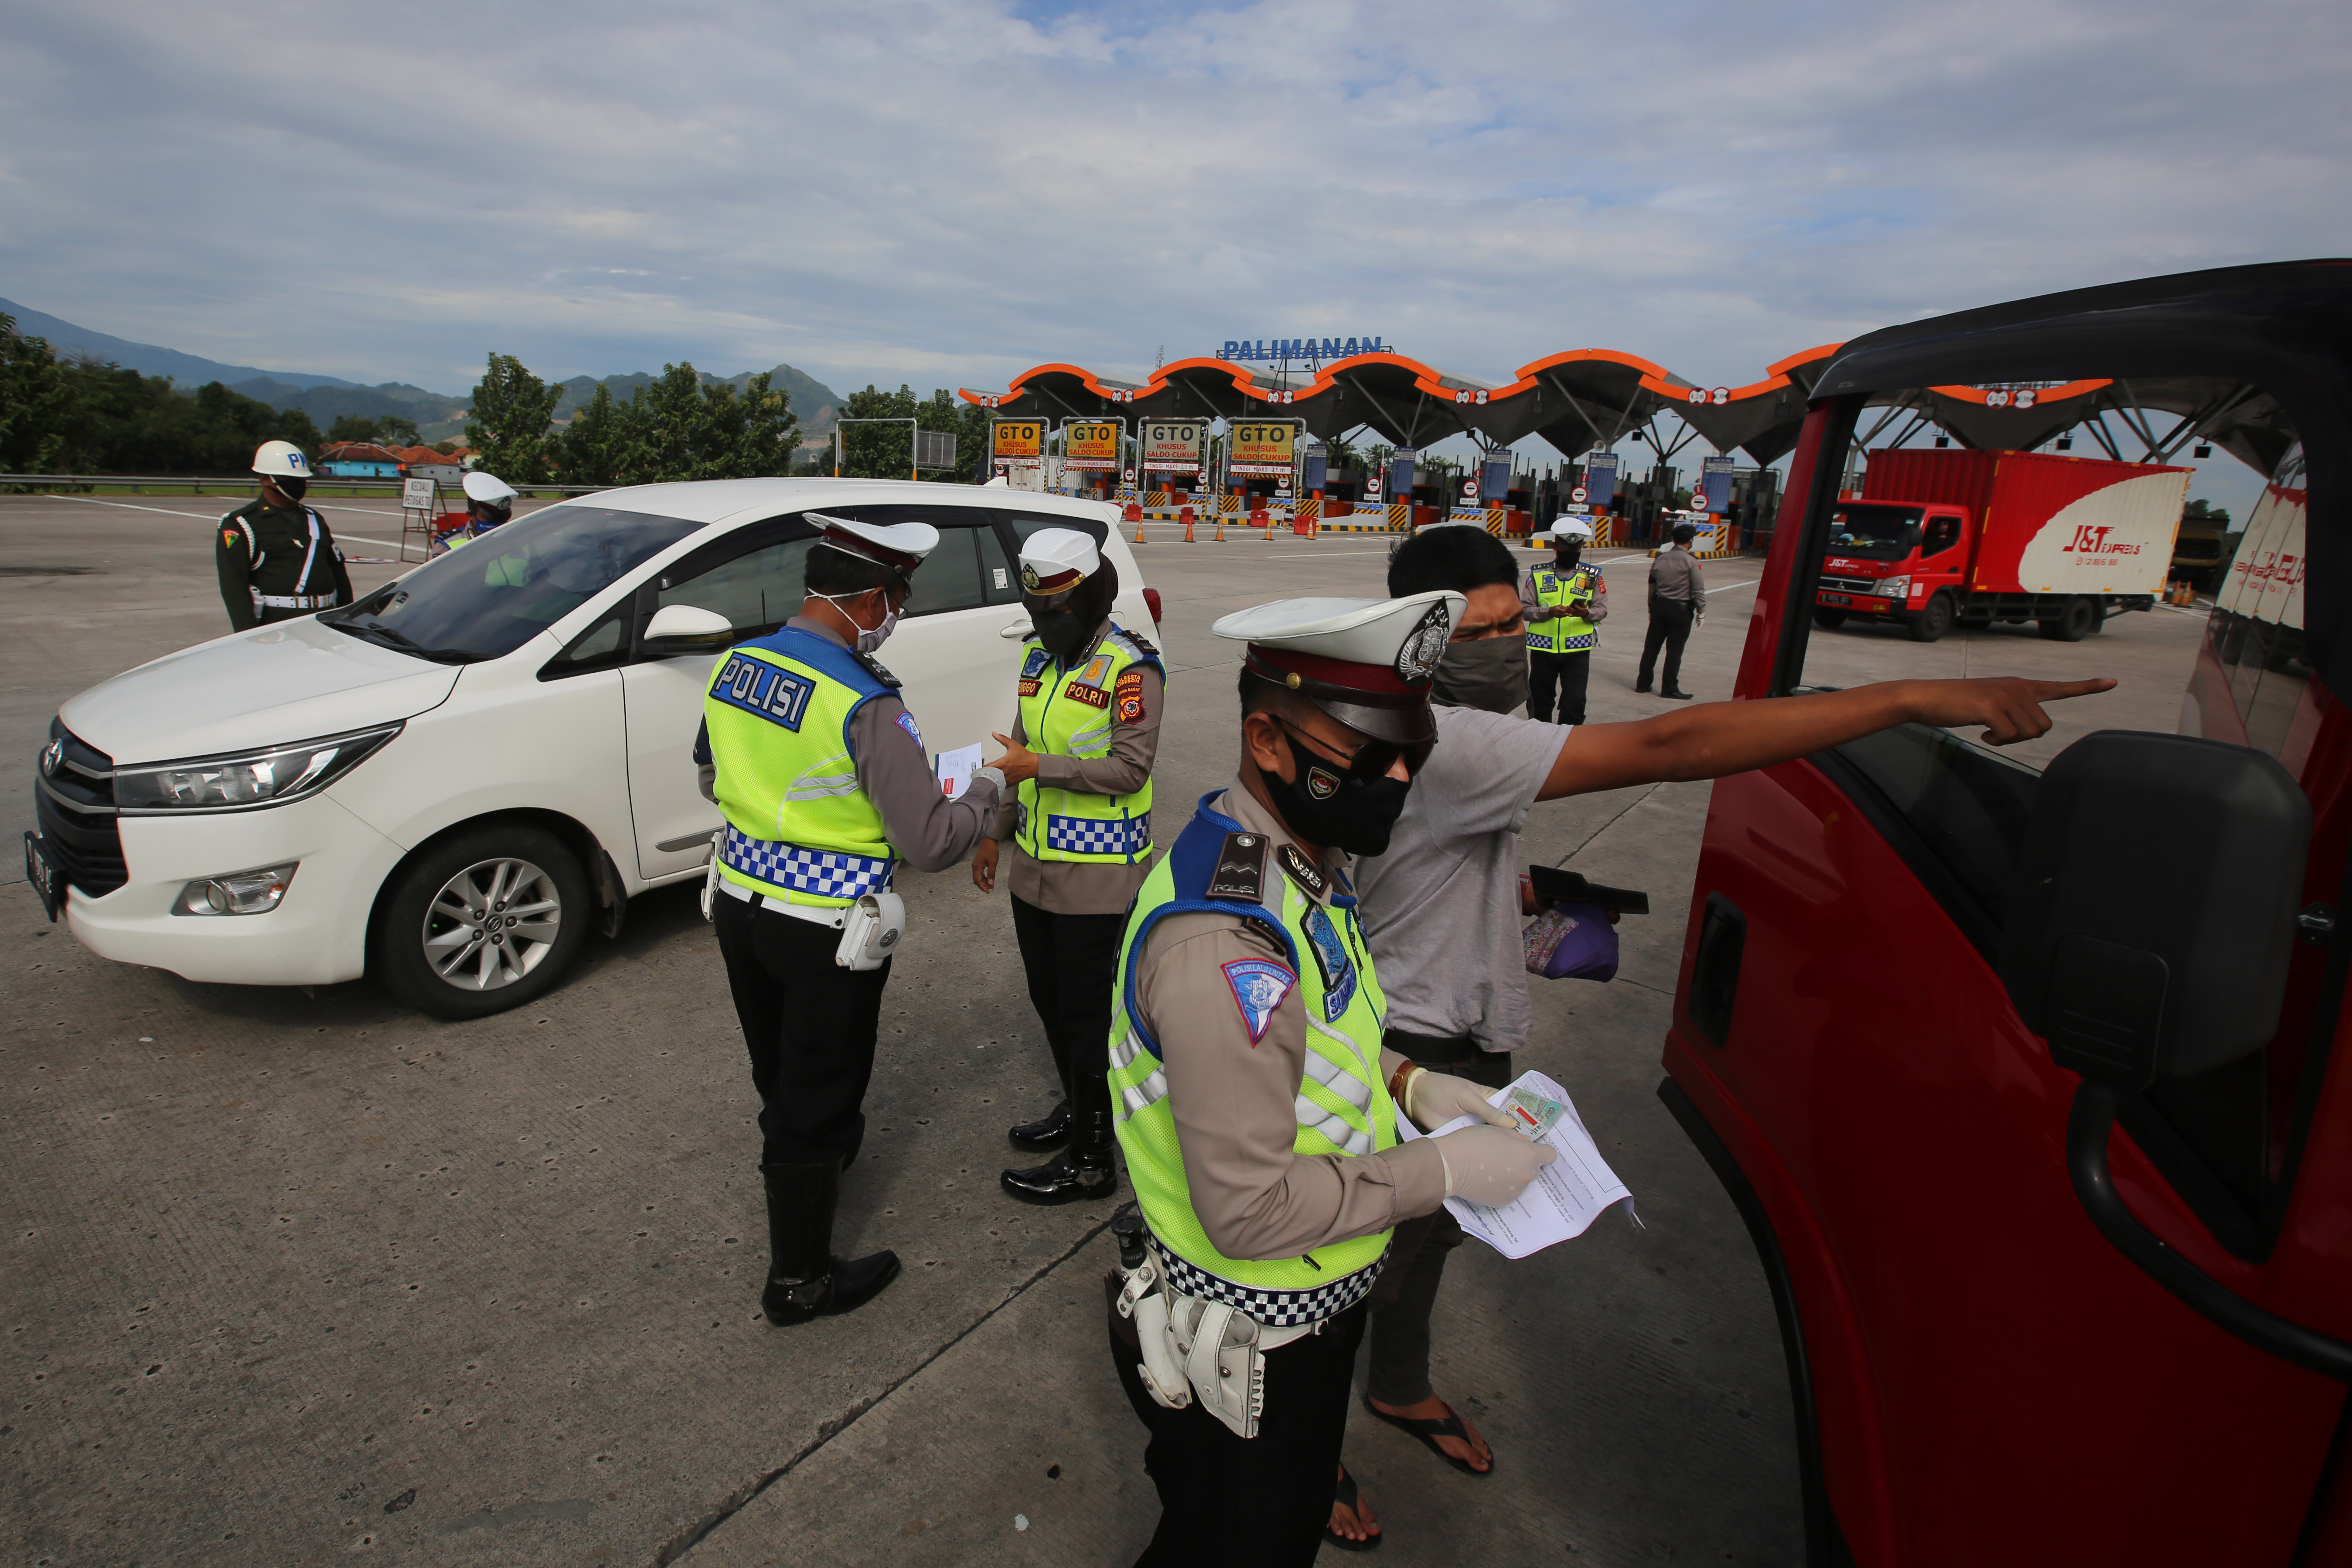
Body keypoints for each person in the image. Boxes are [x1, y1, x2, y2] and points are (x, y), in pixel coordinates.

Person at [1335, 522, 2114, 1546]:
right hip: (1410, 1050)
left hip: (1451, 1024)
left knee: (1432, 1239)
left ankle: (1396, 1386)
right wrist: (1914, 699)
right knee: (1352, 1264)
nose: (1513, 639)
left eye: (1517, 617)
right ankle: (1313, 1448)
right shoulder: (1451, 740)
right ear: (1421, 641)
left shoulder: (1419, 728)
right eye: (1485, 630)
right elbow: (1672, 742)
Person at [1105, 591, 1559, 1567]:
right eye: (1367, 754)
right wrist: (1444, 1171)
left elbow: (1312, 1034)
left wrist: (1406, 1084)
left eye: (1413, 751)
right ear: (1267, 739)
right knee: (1239, 1540)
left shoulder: (1287, 852)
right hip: (1252, 1333)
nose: (1397, 777)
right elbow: (1250, 1210)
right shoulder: (1225, 944)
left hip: (1298, 1303)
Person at [694, 513, 1036, 1327]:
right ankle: (800, 1278)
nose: (897, 614)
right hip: (824, 928)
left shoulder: (738, 664)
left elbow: (713, 776)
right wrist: (983, 790)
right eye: (898, 597)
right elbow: (928, 841)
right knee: (820, 1085)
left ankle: (805, 1161)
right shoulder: (865, 699)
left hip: (738, 902)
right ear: (871, 597)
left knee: (778, 1066)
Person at [971, 527, 1164, 1204]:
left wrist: (1039, 768)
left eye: (1056, 613)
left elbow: (1129, 767)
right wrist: (994, 832)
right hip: (1036, 870)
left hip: (1100, 878)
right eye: (1036, 613)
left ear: (1087, 600)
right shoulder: (1035, 659)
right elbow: (1017, 745)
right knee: (1049, 1003)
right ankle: (1081, 1110)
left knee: (1088, 1018)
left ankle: (1090, 1158)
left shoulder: (1131, 667)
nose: (1044, 624)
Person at [215, 440, 353, 631]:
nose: (298, 485)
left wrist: (347, 619)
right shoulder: (240, 524)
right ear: (265, 479)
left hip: (325, 620)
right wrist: (246, 636)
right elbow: (234, 587)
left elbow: (338, 573)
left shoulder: (314, 519)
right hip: (278, 624)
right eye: (288, 478)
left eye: (301, 479)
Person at [1522, 519, 1607, 725]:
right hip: (1543, 649)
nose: (1571, 552)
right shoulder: (1538, 575)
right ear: (1555, 547)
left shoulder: (1592, 577)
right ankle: (1539, 741)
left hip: (1577, 650)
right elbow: (1524, 610)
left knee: (1575, 702)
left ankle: (1568, 743)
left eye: (1575, 549)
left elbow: (1602, 609)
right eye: (1566, 548)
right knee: (1541, 701)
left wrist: (1585, 614)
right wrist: (1548, 612)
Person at [1636, 520, 1705, 699]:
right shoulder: (1691, 561)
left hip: (1660, 607)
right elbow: (1698, 589)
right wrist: (1701, 611)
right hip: (1680, 611)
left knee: (1651, 647)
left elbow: (1652, 585)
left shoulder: (1660, 559)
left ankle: (1643, 684)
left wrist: (1652, 608)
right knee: (1674, 651)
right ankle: (1669, 688)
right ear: (1690, 541)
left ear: (1673, 540)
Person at [435, 471, 519, 553]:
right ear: (470, 515)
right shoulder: (448, 546)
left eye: (501, 518)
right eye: (490, 519)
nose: (497, 525)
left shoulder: (521, 539)